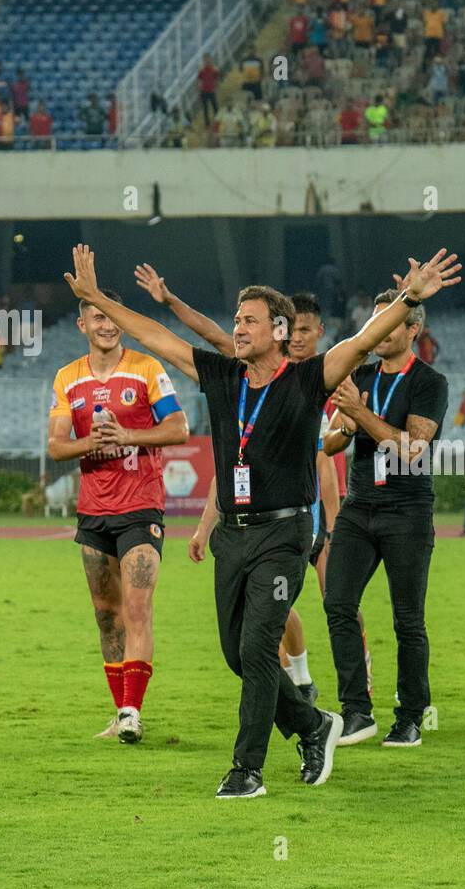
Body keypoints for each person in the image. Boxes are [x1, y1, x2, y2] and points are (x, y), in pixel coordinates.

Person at [64, 243, 460, 798]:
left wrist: (407, 299)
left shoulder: (306, 379)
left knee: (257, 648)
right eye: (236, 320)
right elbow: (158, 338)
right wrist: (96, 297)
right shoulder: (224, 377)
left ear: (278, 330)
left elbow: (364, 341)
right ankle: (313, 724)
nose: (238, 328)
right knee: (236, 653)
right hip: (234, 535)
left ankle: (246, 769)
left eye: (248, 321)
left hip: (285, 533)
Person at [132, 266, 366, 703]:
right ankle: (301, 680)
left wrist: (332, 523)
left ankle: (352, 695)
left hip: (301, 510)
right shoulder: (243, 376)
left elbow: (325, 455)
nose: (297, 338)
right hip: (252, 512)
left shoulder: (319, 377)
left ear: (316, 334)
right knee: (272, 619)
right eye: (293, 330)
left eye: (304, 330)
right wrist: (170, 301)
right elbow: (212, 339)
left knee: (336, 603)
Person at [46, 285, 190, 745]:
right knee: (106, 616)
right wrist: (93, 443)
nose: (107, 325)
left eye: (113, 318)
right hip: (93, 513)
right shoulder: (67, 378)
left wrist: (128, 434)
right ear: (82, 325)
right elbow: (55, 447)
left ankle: (132, 712)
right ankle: (120, 710)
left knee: (137, 606)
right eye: (98, 318)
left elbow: (178, 428)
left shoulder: (147, 368)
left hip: (140, 507)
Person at [322, 286, 451, 747]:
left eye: (389, 320)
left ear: (413, 329)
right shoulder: (359, 374)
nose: (376, 330)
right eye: (373, 321)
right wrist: (345, 424)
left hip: (407, 510)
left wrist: (360, 413)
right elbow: (331, 443)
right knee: (337, 602)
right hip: (360, 507)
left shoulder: (429, 383)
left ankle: (410, 717)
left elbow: (413, 451)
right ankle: (356, 710)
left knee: (407, 619)